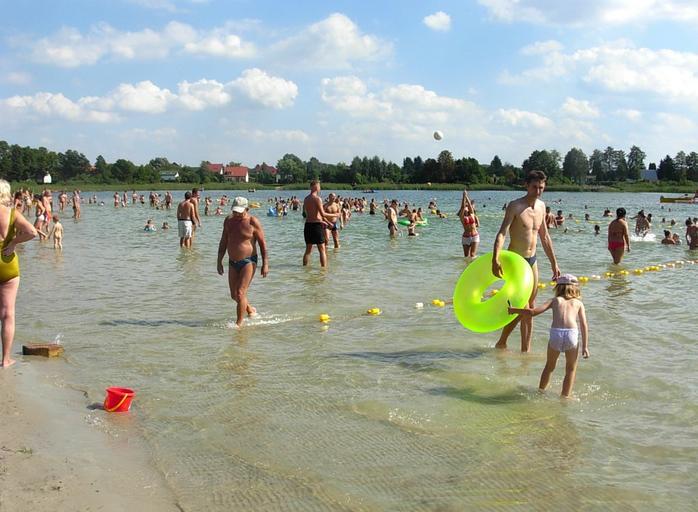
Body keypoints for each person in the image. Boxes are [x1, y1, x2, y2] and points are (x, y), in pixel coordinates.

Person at [492, 170, 560, 352]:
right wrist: (495, 257)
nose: (538, 191)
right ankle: (502, 341)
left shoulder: (542, 207)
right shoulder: (515, 206)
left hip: (532, 260)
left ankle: (525, 350)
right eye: (534, 187)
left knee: (530, 307)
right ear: (526, 185)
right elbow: (502, 233)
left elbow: (545, 237)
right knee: (522, 305)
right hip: (516, 261)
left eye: (541, 188)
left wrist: (554, 263)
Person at [508, 274, 589, 398]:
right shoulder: (578, 303)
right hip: (571, 335)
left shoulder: (555, 301)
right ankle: (565, 397)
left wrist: (513, 310)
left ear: (558, 288)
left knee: (549, 366)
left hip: (556, 334)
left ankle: (540, 392)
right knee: (570, 369)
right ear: (575, 288)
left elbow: (533, 312)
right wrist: (585, 347)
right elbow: (583, 324)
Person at [0, 180, 38, 367]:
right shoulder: (12, 213)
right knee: (8, 314)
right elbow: (32, 232)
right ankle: (6, 359)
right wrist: (14, 242)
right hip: (8, 263)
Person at [217, 197, 268, 328]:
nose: (237, 215)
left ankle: (239, 324)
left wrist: (265, 264)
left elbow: (262, 244)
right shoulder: (228, 221)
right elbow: (223, 241)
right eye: (235, 212)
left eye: (240, 212)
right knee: (234, 295)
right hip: (232, 262)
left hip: (248, 261)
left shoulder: (252, 222)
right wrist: (219, 261)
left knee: (240, 293)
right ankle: (250, 310)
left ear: (247, 209)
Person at [302, 181, 334, 267]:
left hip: (308, 225)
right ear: (315, 186)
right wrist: (335, 214)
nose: (320, 188)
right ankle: (324, 270)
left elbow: (308, 214)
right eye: (319, 186)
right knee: (322, 249)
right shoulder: (317, 198)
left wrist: (322, 221)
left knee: (308, 250)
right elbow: (323, 214)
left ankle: (304, 269)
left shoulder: (306, 199)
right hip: (316, 226)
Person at [459, 189, 480, 257]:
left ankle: (473, 263)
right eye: (465, 206)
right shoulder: (462, 216)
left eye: (467, 206)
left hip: (474, 236)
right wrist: (463, 197)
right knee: (466, 256)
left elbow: (470, 206)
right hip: (466, 237)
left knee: (472, 254)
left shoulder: (472, 214)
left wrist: (466, 196)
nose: (466, 207)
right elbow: (462, 207)